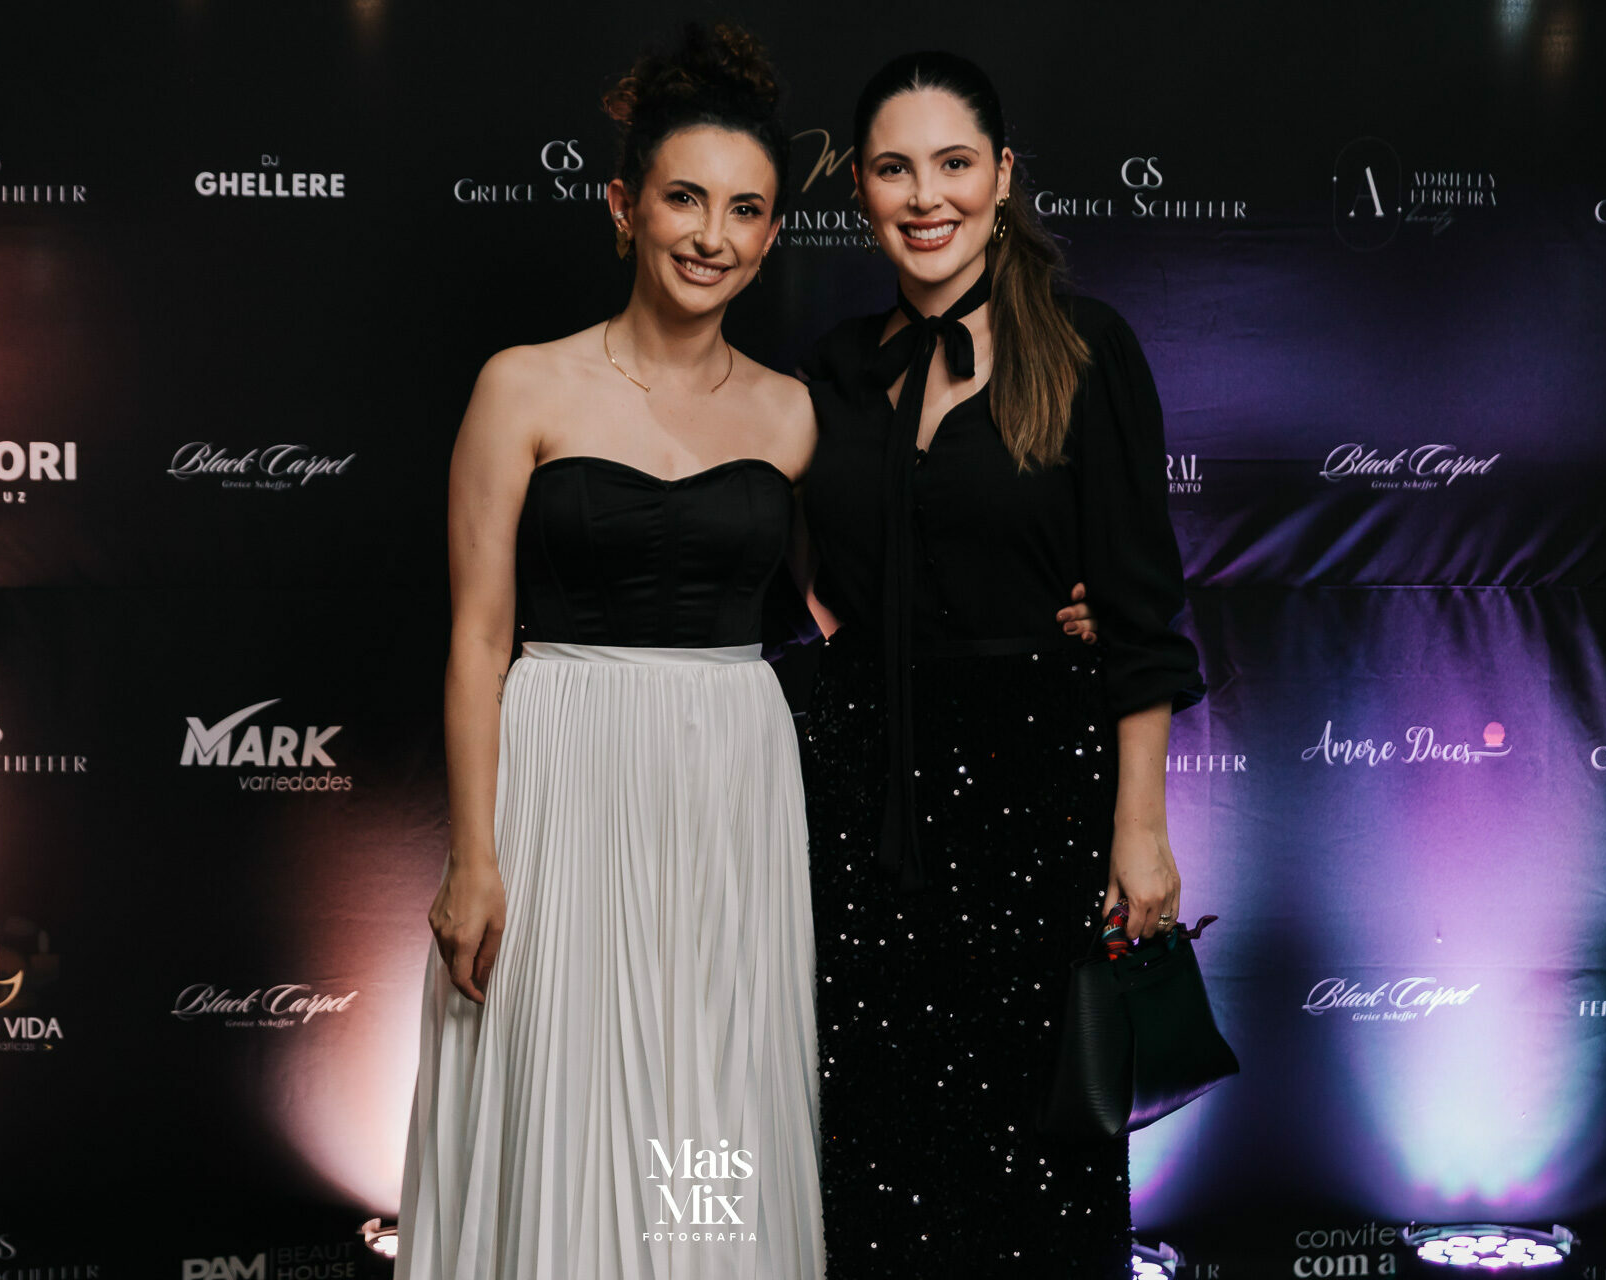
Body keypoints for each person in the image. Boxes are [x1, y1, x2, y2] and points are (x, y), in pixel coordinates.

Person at [395, 23, 825, 1280]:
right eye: (685, 198)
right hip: (562, 764)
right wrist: (474, 857)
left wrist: (1068, 603)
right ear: (623, 206)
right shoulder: (522, 386)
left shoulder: (795, 413)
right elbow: (478, 638)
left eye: (745, 210)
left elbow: (858, 606)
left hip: (733, 780)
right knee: (561, 1085)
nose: (711, 235)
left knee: (714, 1085)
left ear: (772, 236)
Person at [795, 51, 1205, 1277]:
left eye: (955, 164)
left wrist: (1140, 829)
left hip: (1037, 793)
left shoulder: (1085, 348)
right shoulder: (833, 369)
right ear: (859, 189)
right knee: (878, 1135)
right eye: (895, 168)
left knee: (1038, 1136)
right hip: (865, 798)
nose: (927, 197)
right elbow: (780, 553)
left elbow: (1139, 611)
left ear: (1004, 174)